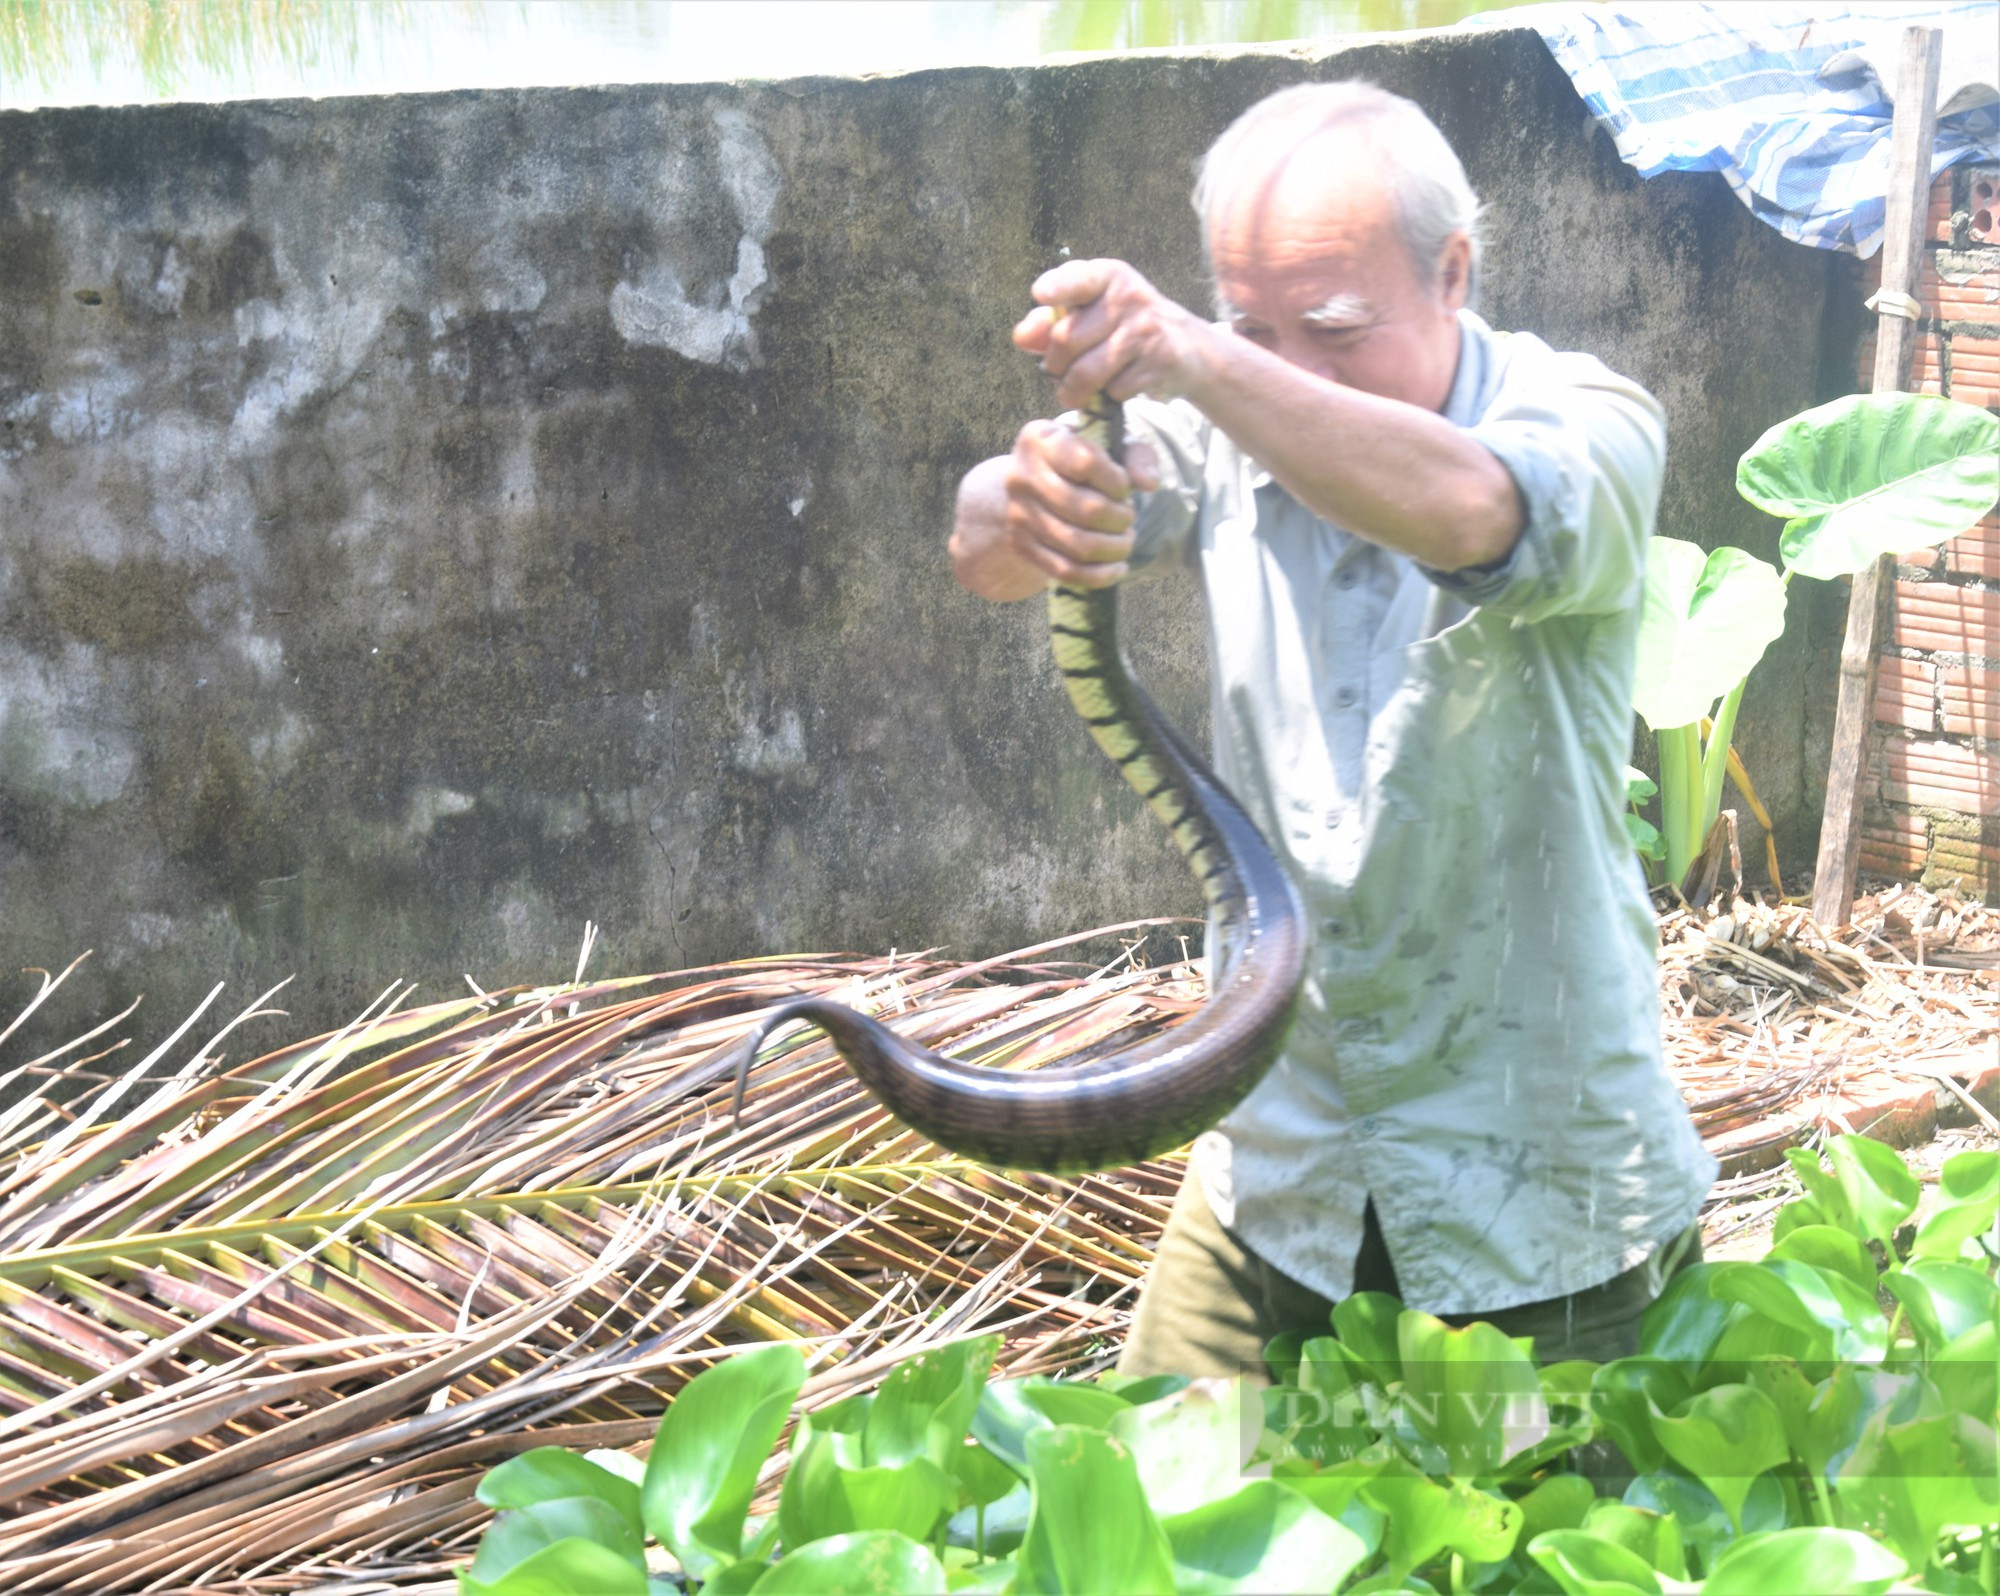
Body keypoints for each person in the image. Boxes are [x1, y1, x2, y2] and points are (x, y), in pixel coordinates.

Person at [947, 81, 1717, 1377]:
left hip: (1537, 1185)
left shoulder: (1588, 417)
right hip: (1281, 1163)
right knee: (1142, 1534)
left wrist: (1206, 353)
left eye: (1337, 327)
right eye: (1254, 325)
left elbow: (1477, 512)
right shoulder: (1229, 424)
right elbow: (990, 544)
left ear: (1454, 270)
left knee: (1535, 1562)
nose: (1289, 367)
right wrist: (1021, 503)